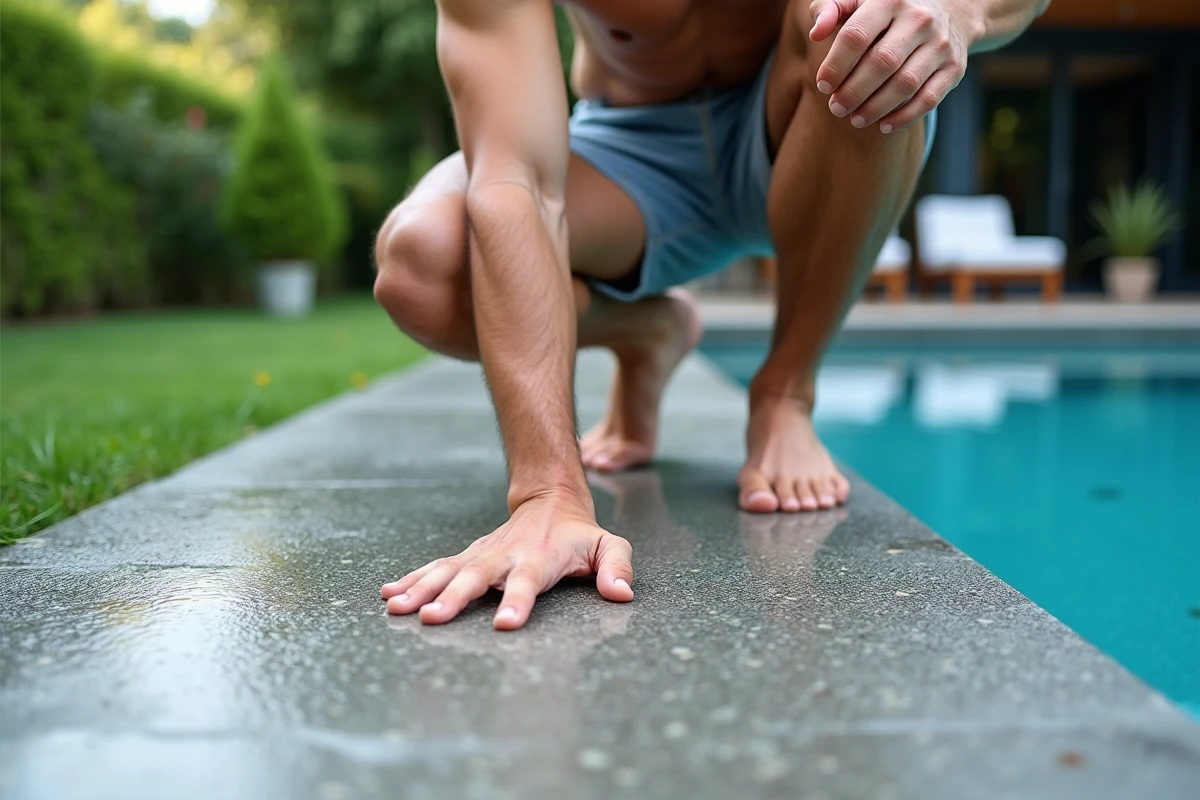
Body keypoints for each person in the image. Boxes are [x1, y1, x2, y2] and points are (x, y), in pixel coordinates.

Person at [375, 0, 1050, 629]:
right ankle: (649, 328)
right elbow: (514, 178)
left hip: (806, 116)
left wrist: (957, 12)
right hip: (630, 154)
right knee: (422, 267)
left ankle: (786, 389)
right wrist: (546, 493)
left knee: (866, 17)